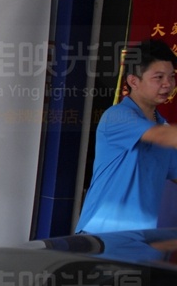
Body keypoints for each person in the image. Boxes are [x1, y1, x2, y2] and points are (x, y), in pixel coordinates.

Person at [76, 39, 177, 234]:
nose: (168, 84)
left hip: (138, 237)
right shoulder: (117, 116)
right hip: (100, 234)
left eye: (172, 77)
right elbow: (161, 136)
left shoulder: (161, 125)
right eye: (159, 77)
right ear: (133, 81)